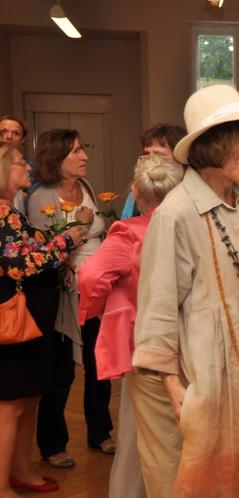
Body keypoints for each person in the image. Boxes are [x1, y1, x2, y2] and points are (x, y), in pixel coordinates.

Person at [131, 85, 239, 497]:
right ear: (212, 144)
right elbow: (158, 308)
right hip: (208, 377)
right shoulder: (176, 213)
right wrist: (175, 390)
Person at [78, 154, 185, 498]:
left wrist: (104, 308)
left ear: (136, 193)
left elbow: (90, 276)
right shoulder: (194, 228)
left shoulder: (130, 233)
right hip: (195, 344)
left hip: (149, 349)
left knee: (158, 447)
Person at [26, 129, 114, 468]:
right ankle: (52, 443)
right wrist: (78, 228)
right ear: (56, 156)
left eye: (83, 149)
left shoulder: (87, 187)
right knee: (61, 371)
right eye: (76, 151)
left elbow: (99, 233)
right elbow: (43, 251)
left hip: (96, 291)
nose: (84, 156)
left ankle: (100, 431)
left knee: (98, 363)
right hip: (63, 295)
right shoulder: (40, 197)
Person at [0, 143, 84, 497]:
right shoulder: (2, 215)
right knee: (9, 406)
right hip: (15, 325)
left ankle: (21, 470)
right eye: (21, 162)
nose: (28, 167)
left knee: (28, 399)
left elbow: (27, 251)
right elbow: (18, 264)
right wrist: (65, 240)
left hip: (32, 323)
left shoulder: (11, 211)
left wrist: (56, 242)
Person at [121, 123, 186, 220]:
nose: (150, 160)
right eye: (146, 154)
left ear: (180, 159)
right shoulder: (135, 196)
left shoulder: (190, 198)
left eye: (159, 155)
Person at [0, 116, 32, 215]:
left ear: (23, 140)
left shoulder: (31, 168)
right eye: (3, 132)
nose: (9, 137)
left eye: (15, 133)